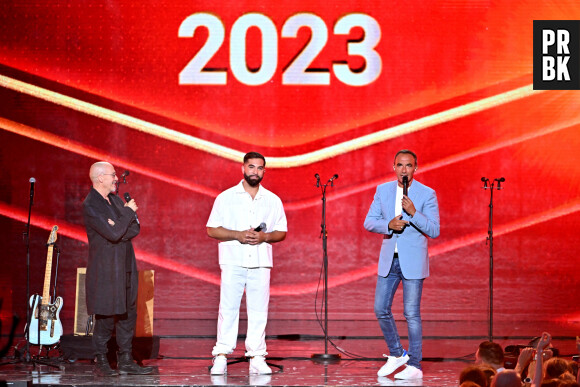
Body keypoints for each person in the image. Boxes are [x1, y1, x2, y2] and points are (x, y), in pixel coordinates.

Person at [206, 152, 287, 375]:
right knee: (228, 308)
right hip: (233, 260)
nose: (255, 172)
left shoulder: (272, 199)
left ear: (264, 171)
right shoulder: (226, 197)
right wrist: (237, 235)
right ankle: (221, 355)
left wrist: (264, 237)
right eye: (251, 167)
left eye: (259, 168)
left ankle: (257, 357)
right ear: (243, 168)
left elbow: (282, 232)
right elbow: (212, 229)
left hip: (261, 262)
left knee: (259, 311)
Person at [364, 149, 440, 379]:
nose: (404, 170)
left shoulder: (427, 194)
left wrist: (413, 213)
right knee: (380, 308)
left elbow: (434, 230)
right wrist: (389, 225)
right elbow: (369, 221)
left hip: (413, 261)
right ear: (393, 167)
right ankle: (397, 354)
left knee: (411, 314)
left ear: (415, 168)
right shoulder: (383, 190)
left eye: (408, 166)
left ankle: (415, 365)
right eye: (400, 165)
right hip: (390, 259)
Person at [83, 161, 153, 376]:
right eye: (113, 175)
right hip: (105, 268)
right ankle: (102, 360)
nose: (116, 179)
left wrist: (119, 222)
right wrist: (125, 216)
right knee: (105, 315)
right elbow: (112, 234)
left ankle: (125, 359)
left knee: (127, 314)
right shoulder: (91, 204)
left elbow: (134, 228)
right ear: (100, 177)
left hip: (125, 264)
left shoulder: (114, 200)